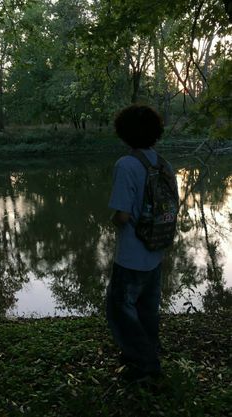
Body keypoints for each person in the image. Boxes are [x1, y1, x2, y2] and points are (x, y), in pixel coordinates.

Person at [106, 104, 177, 381]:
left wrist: (112, 221)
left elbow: (122, 216)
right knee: (147, 309)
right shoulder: (163, 163)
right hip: (156, 251)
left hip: (131, 255)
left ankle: (145, 365)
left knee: (120, 310)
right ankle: (146, 351)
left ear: (124, 133)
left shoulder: (126, 165)